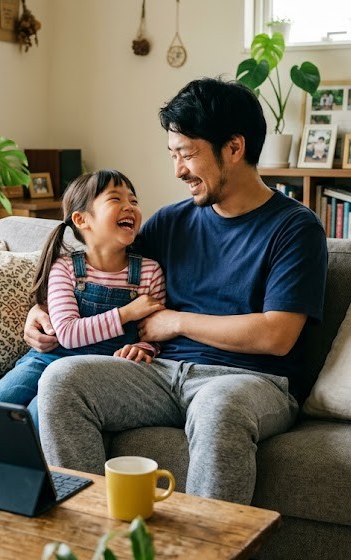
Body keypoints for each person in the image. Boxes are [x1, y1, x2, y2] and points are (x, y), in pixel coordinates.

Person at [24, 77, 328, 505]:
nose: (178, 170)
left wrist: (176, 321)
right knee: (61, 379)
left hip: (252, 381)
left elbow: (276, 336)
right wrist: (39, 309)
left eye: (187, 153)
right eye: (173, 154)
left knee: (218, 407)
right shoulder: (171, 222)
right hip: (162, 374)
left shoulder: (295, 228)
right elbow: (96, 260)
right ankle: (93, 549)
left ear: (234, 148)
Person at [0, 169, 166, 426]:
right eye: (116, 199)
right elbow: (67, 333)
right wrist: (127, 313)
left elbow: (153, 335)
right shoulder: (64, 268)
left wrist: (143, 349)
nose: (129, 207)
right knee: (1, 398)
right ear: (81, 219)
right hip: (49, 357)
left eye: (133, 201)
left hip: (101, 369)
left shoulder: (150, 272)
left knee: (40, 412)